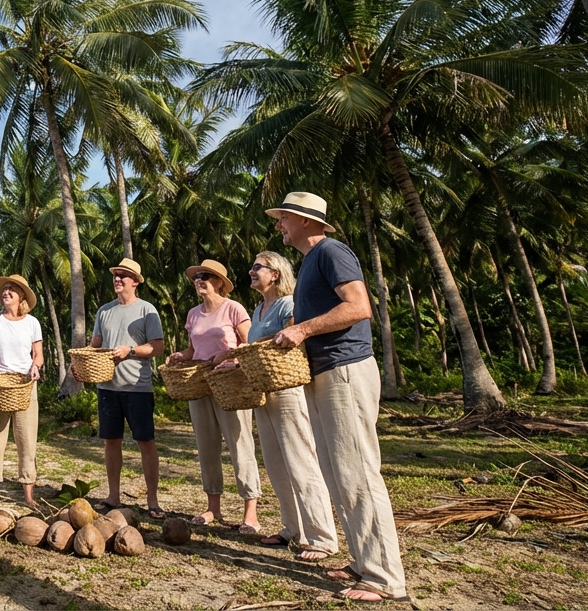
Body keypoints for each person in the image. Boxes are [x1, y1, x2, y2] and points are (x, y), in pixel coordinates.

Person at [268, 192, 408, 603]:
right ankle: (363, 562)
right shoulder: (310, 261)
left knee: (358, 473)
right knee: (336, 473)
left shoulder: (331, 251)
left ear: (307, 221)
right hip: (325, 372)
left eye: (284, 218)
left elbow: (359, 307)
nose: (279, 225)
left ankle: (385, 578)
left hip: (345, 370)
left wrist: (303, 330)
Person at [246, 251, 338, 562]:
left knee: (301, 461)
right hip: (265, 391)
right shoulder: (258, 309)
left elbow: (292, 336)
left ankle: (322, 537)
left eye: (258, 267)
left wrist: (252, 349)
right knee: (275, 463)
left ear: (275, 273)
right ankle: (292, 528)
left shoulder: (288, 303)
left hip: (288, 389)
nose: (251, 271)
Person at [165, 259, 262, 533]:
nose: (200, 280)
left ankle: (250, 512)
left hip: (230, 383)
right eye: (197, 276)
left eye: (206, 276)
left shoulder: (234, 309)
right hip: (199, 383)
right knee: (207, 446)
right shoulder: (194, 314)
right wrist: (180, 356)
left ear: (220, 282)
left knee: (240, 444)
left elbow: (249, 343)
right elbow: (193, 350)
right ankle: (213, 507)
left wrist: (228, 356)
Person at [75, 258, 165, 519]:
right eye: (115, 275)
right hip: (107, 387)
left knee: (145, 441)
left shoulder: (147, 310)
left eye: (123, 275)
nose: (117, 279)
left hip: (138, 387)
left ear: (135, 282)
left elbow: (157, 347)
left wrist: (131, 350)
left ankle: (153, 500)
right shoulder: (104, 311)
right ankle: (113, 496)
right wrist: (80, 364)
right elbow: (95, 346)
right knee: (111, 441)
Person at [0, 274, 44, 511]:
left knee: (27, 442)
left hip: (25, 387)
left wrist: (36, 368)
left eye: (11, 290)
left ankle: (28, 498)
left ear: (21, 297)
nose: (5, 292)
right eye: (4, 289)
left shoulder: (32, 323)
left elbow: (38, 354)